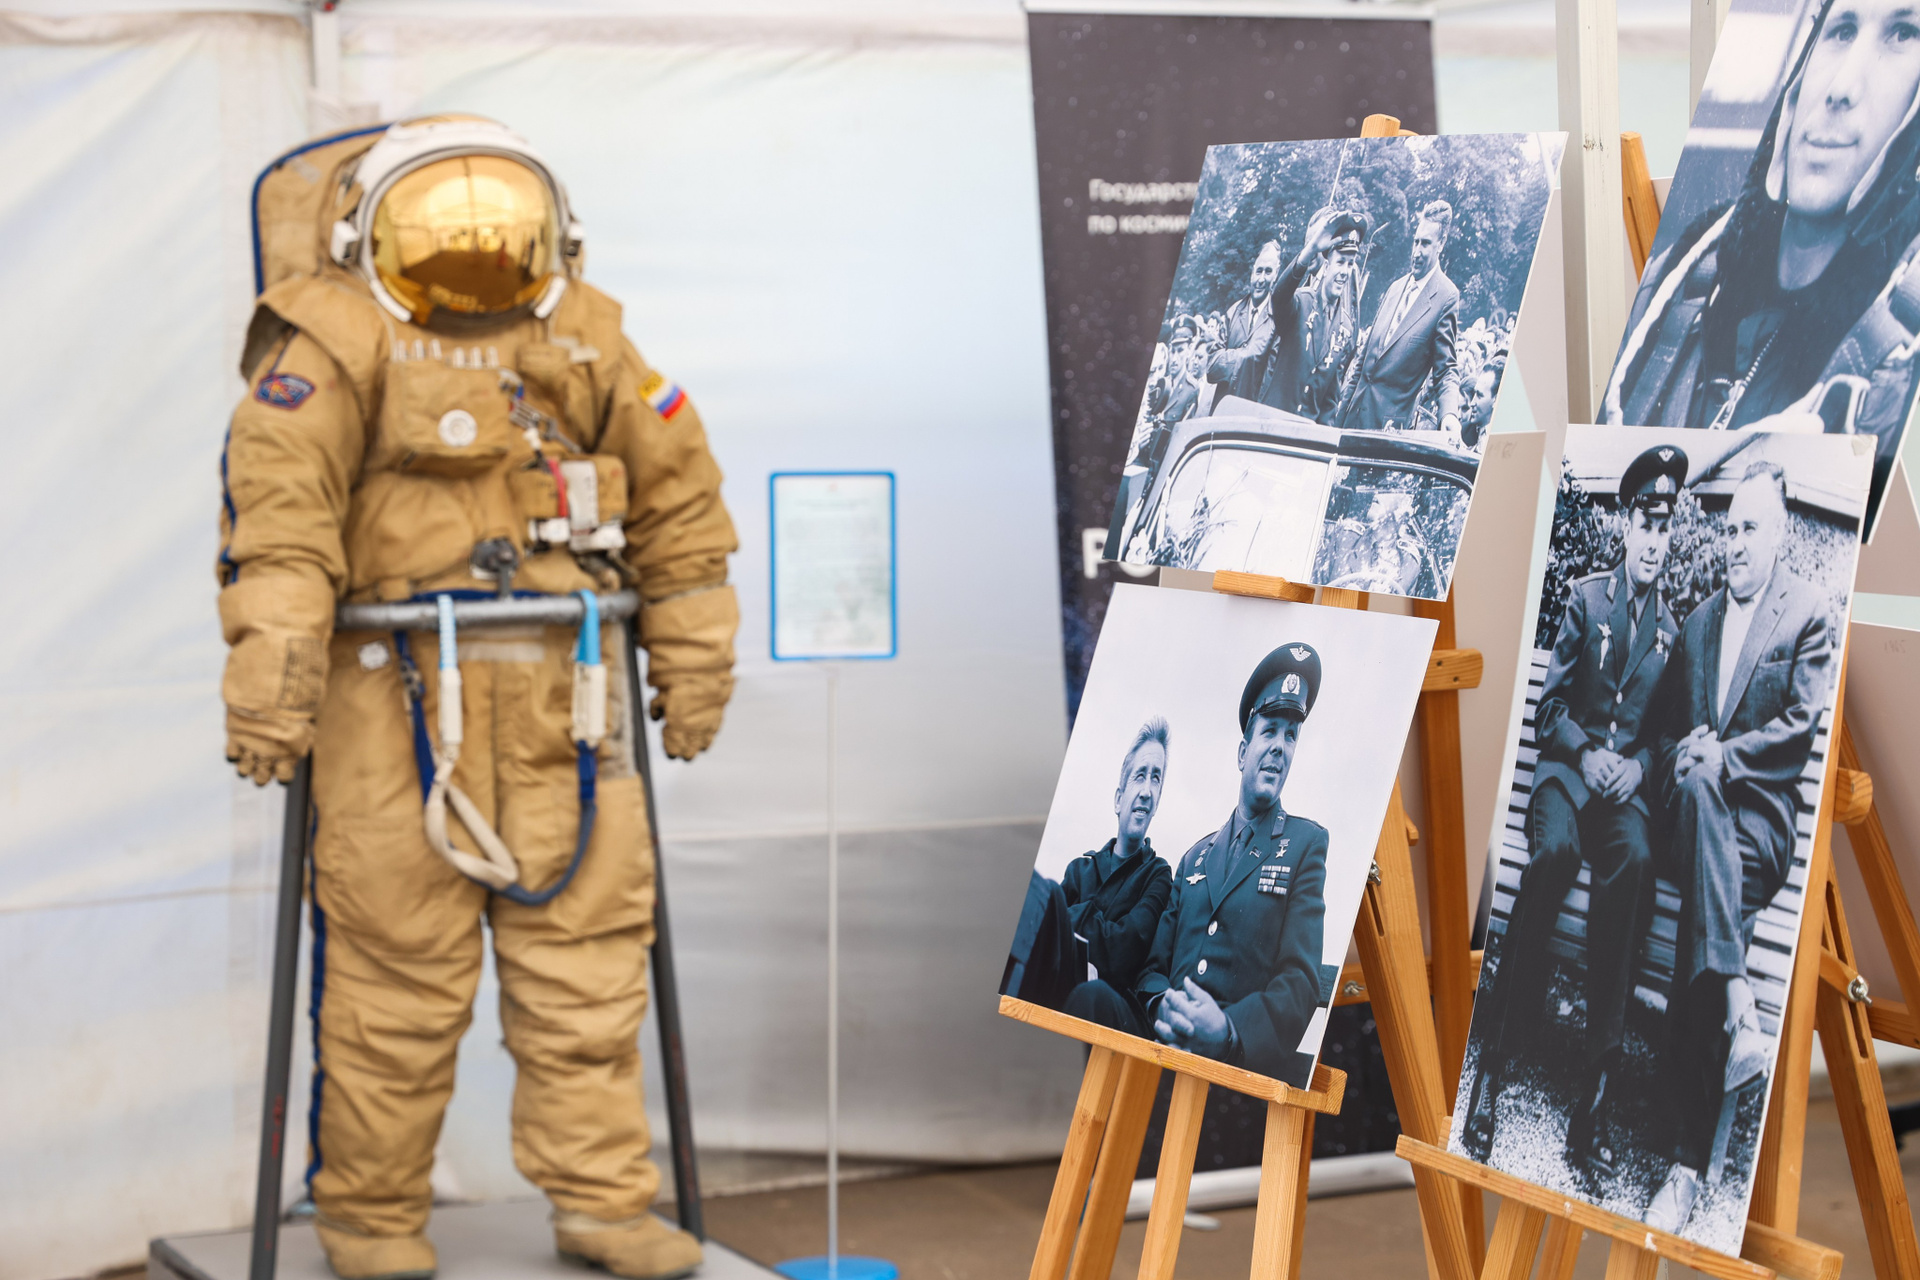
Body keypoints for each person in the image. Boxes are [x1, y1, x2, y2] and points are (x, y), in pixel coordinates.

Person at [219, 117, 736, 1280]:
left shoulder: (589, 339)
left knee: (588, 971)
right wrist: (273, 685)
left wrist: (696, 659)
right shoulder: (329, 341)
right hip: (391, 705)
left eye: (496, 231)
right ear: (364, 235)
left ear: (553, 235)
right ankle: (370, 1216)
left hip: (569, 703)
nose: (471, 257)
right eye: (438, 230)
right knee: (391, 983)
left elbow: (681, 506)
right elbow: (282, 522)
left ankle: (604, 1202)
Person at [1459, 445, 1689, 1182]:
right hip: (1566, 779)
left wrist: (1639, 766)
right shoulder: (1587, 600)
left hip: (1620, 796)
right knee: (1554, 856)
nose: (1654, 541)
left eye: (1665, 528)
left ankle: (1593, 1096)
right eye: (1645, 524)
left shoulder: (1673, 632)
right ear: (1626, 524)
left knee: (1638, 864)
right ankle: (1494, 1063)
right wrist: (1587, 754)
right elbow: (1549, 708)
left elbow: (1663, 733)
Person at [1603, 0, 1920, 524]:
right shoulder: (1678, 283)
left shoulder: (1897, 355)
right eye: (1841, 30)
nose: (1841, 88)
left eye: (1903, 35)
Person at [1641, 462, 1834, 1234]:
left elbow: (1800, 729)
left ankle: (1684, 1168)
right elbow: (1662, 734)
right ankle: (1734, 1014)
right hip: (1694, 826)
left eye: (1751, 528)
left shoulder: (1807, 614)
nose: (1736, 543)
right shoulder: (1698, 624)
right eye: (1729, 529)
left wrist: (1722, 758)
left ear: (1779, 533)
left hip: (1759, 826)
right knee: (1693, 793)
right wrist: (1683, 760)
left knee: (1703, 878)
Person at [1067, 645, 1330, 1087]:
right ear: (1243, 753)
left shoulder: (1305, 845)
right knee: (1090, 999)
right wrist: (1160, 1005)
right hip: (1162, 1046)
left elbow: (1299, 982)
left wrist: (1228, 1030)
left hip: (1230, 1068)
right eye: (1269, 731)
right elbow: (1153, 967)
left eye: (1290, 737)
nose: (1279, 747)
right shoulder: (1195, 858)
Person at [1062, 719, 1176, 993]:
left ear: (1157, 804)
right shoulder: (1078, 870)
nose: (1146, 791)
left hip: (1107, 1007)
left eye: (1156, 778)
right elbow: (1044, 930)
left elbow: (1124, 951)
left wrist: (1069, 917)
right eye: (1140, 775)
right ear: (1118, 799)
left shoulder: (1159, 877)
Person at [1335, 200, 1463, 435]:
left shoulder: (1446, 297)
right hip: (1350, 422)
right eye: (1416, 241)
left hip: (1386, 435)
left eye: (1425, 243)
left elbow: (1446, 370)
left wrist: (1449, 414)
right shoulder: (1395, 288)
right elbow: (1363, 364)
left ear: (1441, 243)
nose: (1416, 252)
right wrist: (1340, 417)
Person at [1262, 210, 1370, 421]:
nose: (1344, 271)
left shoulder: (1345, 327)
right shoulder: (1302, 301)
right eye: (1340, 262)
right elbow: (1279, 297)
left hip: (1304, 433)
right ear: (1327, 265)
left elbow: (1329, 401)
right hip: (1272, 423)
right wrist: (1311, 249)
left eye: (1350, 264)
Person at [1205, 241, 1282, 406]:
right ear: (1252, 272)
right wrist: (1246, 357)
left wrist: (1230, 358)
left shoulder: (1278, 320)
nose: (1261, 279)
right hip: (1222, 409)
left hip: (1251, 412)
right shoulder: (1233, 312)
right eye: (1259, 271)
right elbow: (1211, 367)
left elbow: (1270, 381)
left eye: (1268, 272)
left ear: (1276, 274)